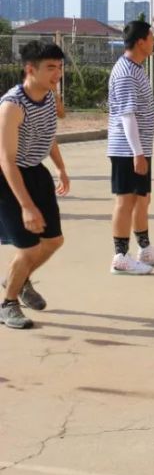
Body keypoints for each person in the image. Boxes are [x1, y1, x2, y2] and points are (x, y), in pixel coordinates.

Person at [0, 42, 69, 329]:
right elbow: (6, 160)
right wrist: (27, 206)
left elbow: (48, 134)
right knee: (28, 248)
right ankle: (8, 304)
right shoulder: (11, 105)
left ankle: (19, 279)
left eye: (60, 67)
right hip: (8, 177)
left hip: (35, 171)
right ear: (30, 69)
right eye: (51, 68)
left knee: (53, 240)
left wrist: (61, 168)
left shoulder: (49, 97)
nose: (58, 74)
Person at [107, 21, 154, 275]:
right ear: (141, 41)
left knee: (143, 198)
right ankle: (120, 256)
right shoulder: (125, 72)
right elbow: (127, 115)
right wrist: (137, 152)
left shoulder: (136, 68)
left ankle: (144, 248)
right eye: (152, 38)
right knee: (126, 200)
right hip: (127, 150)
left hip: (139, 148)